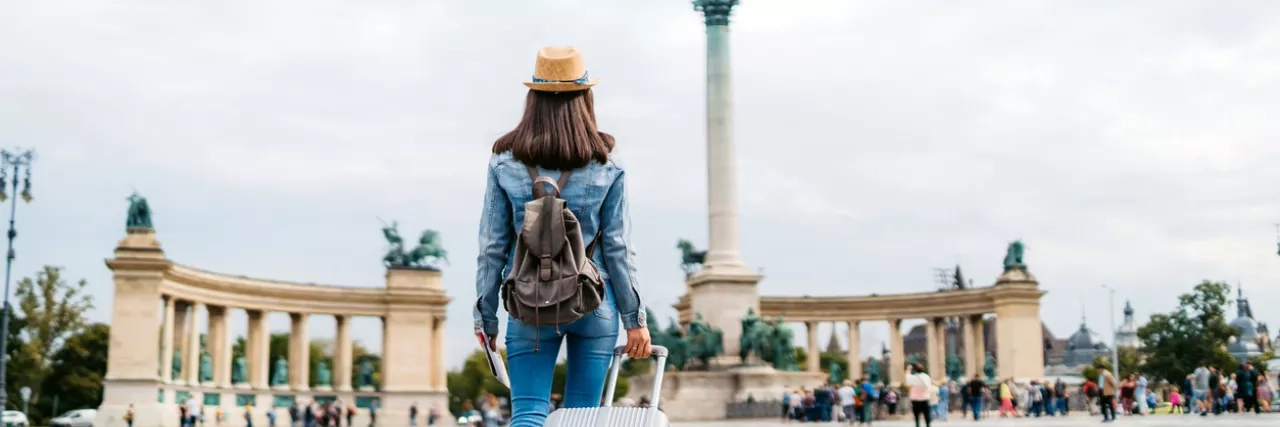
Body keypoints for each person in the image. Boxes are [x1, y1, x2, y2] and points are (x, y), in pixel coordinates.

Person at [472, 45, 650, 427]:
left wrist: (485, 318)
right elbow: (619, 249)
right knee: (580, 419)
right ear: (585, 97)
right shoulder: (608, 163)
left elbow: (492, 248)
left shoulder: (505, 161)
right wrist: (635, 318)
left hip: (528, 302)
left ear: (533, 97)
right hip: (593, 301)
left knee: (528, 414)